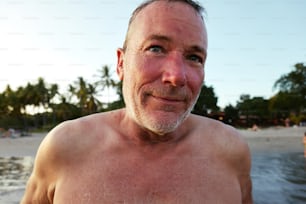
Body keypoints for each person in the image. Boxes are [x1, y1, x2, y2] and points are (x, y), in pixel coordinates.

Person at [21, 0, 253, 203]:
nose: (176, 77)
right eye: (156, 48)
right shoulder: (65, 148)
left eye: (194, 57)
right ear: (121, 63)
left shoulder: (230, 151)